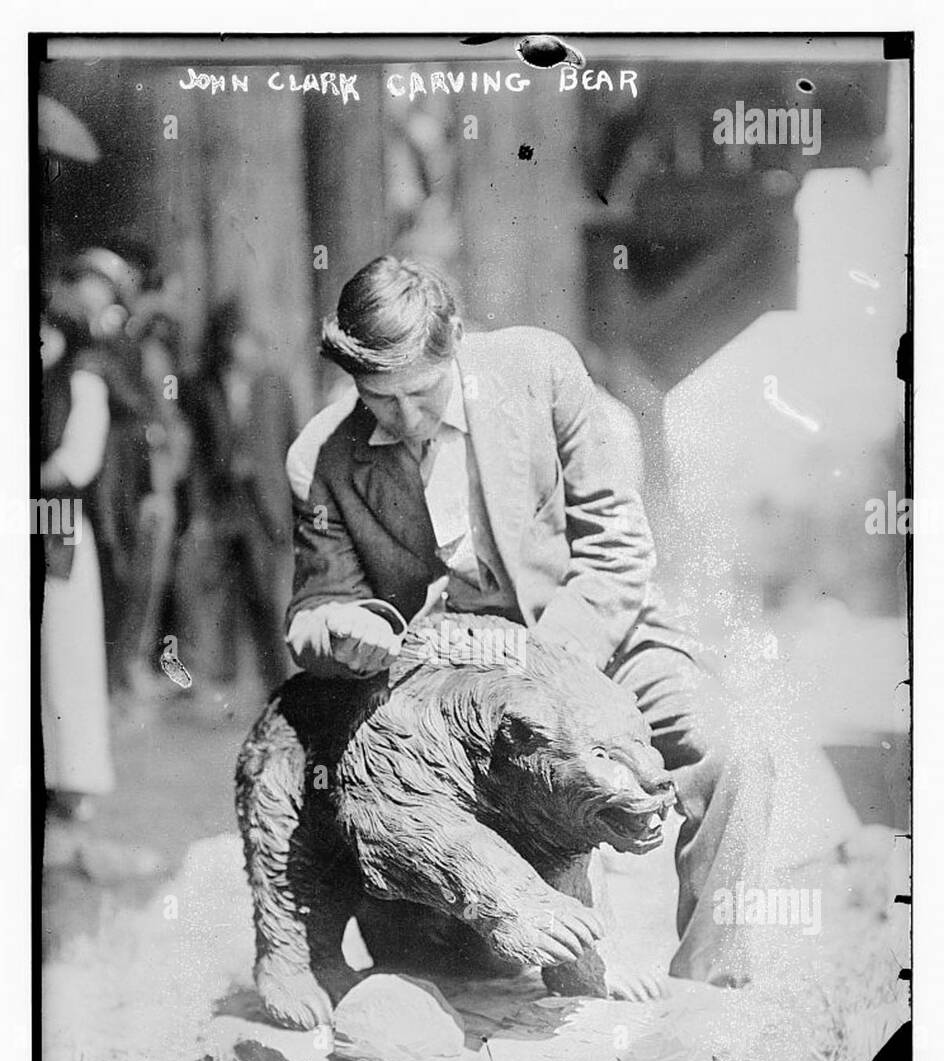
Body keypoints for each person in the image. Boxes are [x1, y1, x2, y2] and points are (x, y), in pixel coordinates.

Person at [284, 255, 859, 989]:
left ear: (455, 341)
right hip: (455, 697)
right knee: (479, 874)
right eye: (379, 399)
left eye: (422, 392)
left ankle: (709, 989)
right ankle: (556, 966)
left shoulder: (541, 371)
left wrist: (547, 675)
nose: (405, 419)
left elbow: (616, 549)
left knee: (733, 751)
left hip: (596, 639)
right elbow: (315, 608)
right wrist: (344, 628)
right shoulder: (320, 457)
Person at [40, 260, 161, 881]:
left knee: (66, 658)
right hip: (36, 517)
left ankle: (72, 792)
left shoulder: (83, 380)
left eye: (45, 333)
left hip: (57, 524)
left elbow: (75, 464)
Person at [178, 300, 296, 698]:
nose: (242, 346)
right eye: (234, 337)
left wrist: (294, 507)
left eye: (246, 338)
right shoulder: (205, 386)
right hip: (221, 503)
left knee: (267, 598)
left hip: (265, 508)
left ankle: (277, 687)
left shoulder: (274, 384)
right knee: (212, 596)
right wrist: (198, 512)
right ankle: (215, 685)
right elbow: (198, 456)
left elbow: (293, 445)